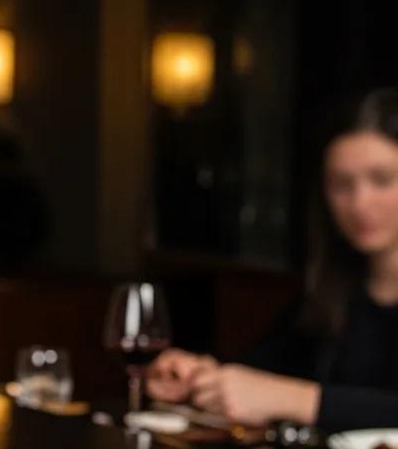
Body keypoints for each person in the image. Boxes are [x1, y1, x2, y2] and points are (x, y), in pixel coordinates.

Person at [147, 88, 398, 431]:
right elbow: (263, 377)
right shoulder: (328, 289)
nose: (359, 203)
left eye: (382, 179)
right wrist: (204, 377)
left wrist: (296, 400)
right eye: (341, 184)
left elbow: (279, 393)